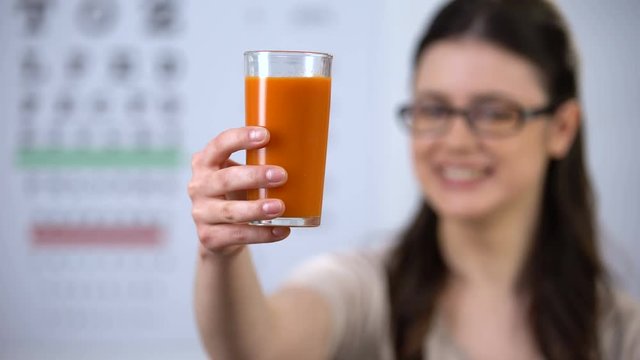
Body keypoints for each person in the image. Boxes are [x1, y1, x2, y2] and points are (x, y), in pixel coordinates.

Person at [188, 0, 640, 359]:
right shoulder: (365, 290)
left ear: (561, 128)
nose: (456, 140)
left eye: (494, 112)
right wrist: (220, 254)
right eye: (434, 109)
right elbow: (258, 350)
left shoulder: (620, 332)